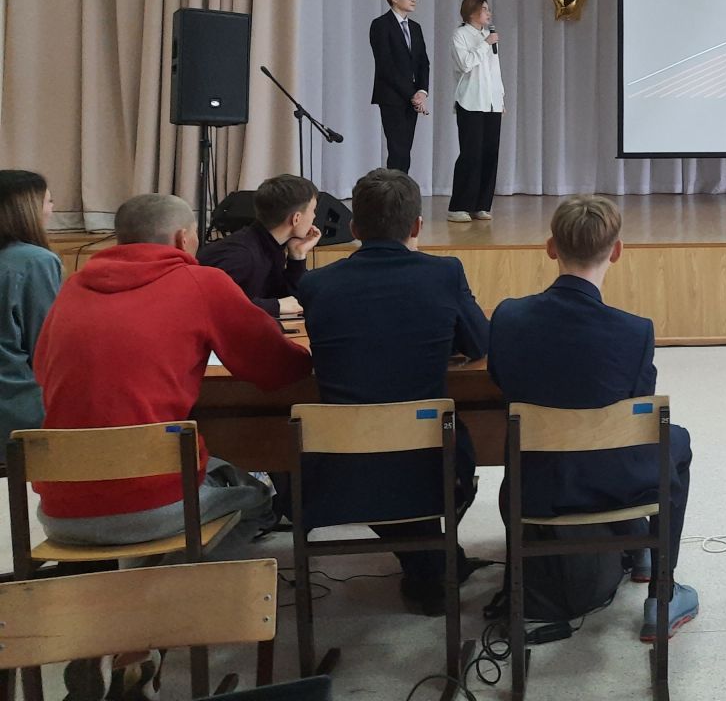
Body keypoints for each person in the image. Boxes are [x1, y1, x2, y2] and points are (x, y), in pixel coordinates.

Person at [31, 194, 311, 545]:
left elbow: (41, 370)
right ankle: (182, 577)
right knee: (257, 499)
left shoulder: (73, 287)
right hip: (149, 500)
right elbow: (278, 369)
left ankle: (150, 569)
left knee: (218, 468)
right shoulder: (201, 282)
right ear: (183, 238)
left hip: (60, 509)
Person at [489, 195, 699, 641]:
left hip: (536, 486)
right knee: (674, 439)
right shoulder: (635, 330)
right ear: (616, 251)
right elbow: (636, 411)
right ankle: (661, 591)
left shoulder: (508, 317)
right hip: (611, 484)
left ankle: (637, 551)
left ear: (550, 247)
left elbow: (502, 382)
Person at [297, 169, 490, 615]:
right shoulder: (443, 273)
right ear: (417, 226)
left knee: (379, 462)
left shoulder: (316, 284)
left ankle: (431, 566)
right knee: (437, 450)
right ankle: (434, 564)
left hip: (339, 466)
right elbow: (481, 343)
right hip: (431, 463)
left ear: (353, 227)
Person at [196, 173, 321, 319]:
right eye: (313, 210)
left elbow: (293, 301)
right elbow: (211, 302)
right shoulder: (241, 254)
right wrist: (275, 306)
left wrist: (297, 256)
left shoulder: (271, 246)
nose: (314, 217)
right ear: (296, 218)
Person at [0, 169, 62, 440]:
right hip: (19, 406)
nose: (52, 209)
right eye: (48, 201)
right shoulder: (35, 261)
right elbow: (45, 346)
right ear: (26, 209)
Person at [447, 0, 504, 224]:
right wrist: (485, 44)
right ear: (472, 12)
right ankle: (459, 206)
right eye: (484, 9)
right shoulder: (460, 35)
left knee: (490, 153)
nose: (489, 13)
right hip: (470, 102)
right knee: (471, 153)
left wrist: (501, 98)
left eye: (488, 9)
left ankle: (481, 204)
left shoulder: (487, 35)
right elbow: (465, 64)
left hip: (492, 103)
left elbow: (495, 71)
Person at [370, 0, 430, 172]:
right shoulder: (381, 25)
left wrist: (422, 91)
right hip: (391, 96)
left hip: (412, 97)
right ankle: (394, 188)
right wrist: (412, 94)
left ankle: (402, 186)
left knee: (406, 149)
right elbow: (386, 66)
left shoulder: (415, 27)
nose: (413, 0)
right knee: (397, 149)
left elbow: (423, 62)